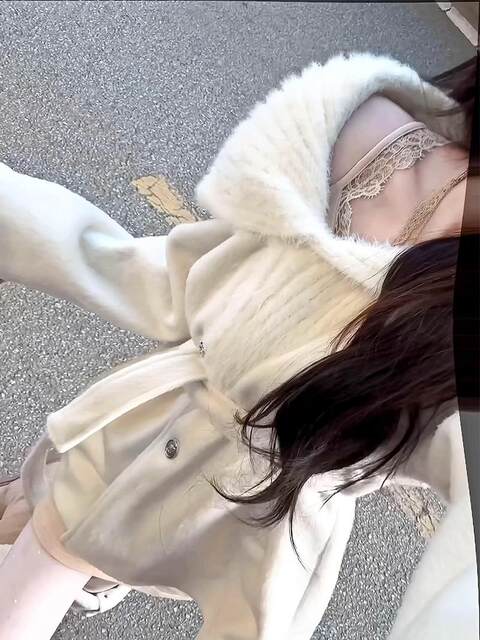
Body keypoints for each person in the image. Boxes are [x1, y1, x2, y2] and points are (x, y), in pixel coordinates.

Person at [0, 52, 477, 639]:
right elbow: (184, 278)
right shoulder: (360, 128)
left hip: (244, 515)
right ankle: (78, 550)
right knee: (57, 542)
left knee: (61, 541)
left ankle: (80, 551)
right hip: (201, 489)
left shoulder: (368, 128)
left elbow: (176, 279)